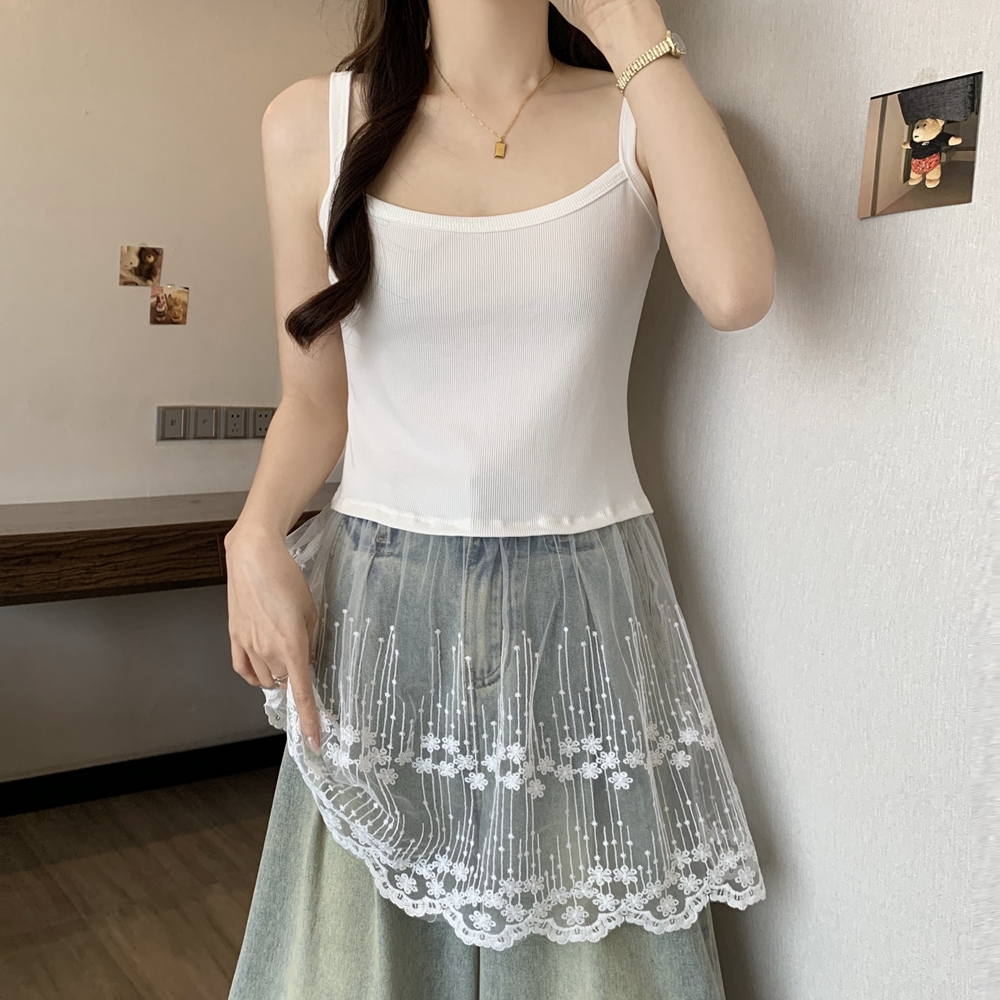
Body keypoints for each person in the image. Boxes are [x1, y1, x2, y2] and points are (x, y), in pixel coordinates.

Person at [225, 1, 774, 997]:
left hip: (580, 618)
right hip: (383, 616)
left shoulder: (640, 108)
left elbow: (737, 291)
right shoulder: (312, 124)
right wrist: (254, 531)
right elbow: (314, 400)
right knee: (362, 965)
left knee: (592, 971)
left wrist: (627, 26)